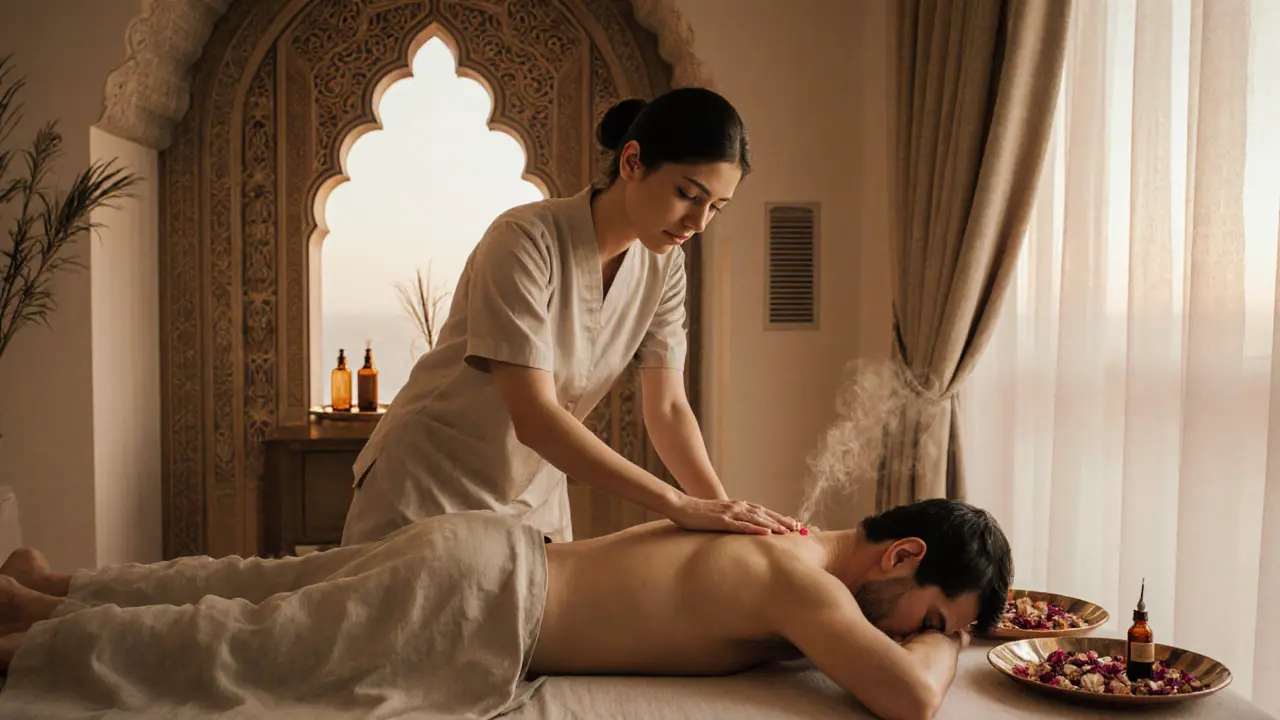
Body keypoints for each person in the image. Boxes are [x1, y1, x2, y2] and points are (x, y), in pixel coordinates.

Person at [0, 498, 1010, 720]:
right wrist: (939, 657)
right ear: (902, 553)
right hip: (485, 598)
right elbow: (909, 705)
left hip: (486, 554)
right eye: (930, 613)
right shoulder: (805, 582)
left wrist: (941, 629)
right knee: (248, 645)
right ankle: (29, 642)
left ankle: (52, 589)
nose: (917, 636)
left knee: (263, 587)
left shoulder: (789, 537)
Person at [341, 87, 799, 547]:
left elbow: (669, 408)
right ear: (632, 162)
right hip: (430, 484)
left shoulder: (664, 265)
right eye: (688, 194)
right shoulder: (523, 240)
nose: (698, 222)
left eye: (715, 207)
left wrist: (729, 518)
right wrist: (680, 505)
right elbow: (535, 415)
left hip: (531, 500)